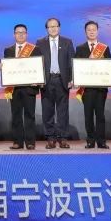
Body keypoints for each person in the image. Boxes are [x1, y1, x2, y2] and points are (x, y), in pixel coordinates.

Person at [37, 18, 74, 149]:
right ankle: (50, 138)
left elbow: (72, 62)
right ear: (46, 29)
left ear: (59, 27)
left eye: (55, 26)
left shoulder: (67, 42)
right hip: (47, 81)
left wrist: (71, 79)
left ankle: (63, 138)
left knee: (63, 111)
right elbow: (37, 63)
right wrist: (39, 79)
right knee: (47, 111)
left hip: (62, 80)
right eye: (50, 27)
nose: (53, 28)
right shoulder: (40, 43)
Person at [74, 20, 111, 149]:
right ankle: (90, 140)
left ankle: (101, 141)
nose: (91, 32)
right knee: (88, 115)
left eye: (94, 29)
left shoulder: (104, 48)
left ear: (97, 31)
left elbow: (108, 66)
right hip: (87, 89)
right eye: (89, 30)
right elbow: (77, 67)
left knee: (100, 115)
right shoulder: (80, 48)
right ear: (85, 32)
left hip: (101, 88)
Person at [4, 24, 41, 150]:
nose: (20, 34)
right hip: (14, 88)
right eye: (18, 32)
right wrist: (2, 68)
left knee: (30, 115)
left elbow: (39, 67)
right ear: (14, 34)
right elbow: (8, 69)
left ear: (27, 34)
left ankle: (30, 142)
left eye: (23, 32)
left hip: (29, 87)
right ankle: (17, 142)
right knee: (16, 115)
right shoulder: (8, 50)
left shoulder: (35, 49)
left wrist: (38, 80)